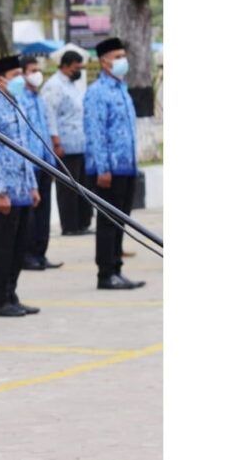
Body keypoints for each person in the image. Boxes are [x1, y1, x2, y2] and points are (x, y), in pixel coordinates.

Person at [0, 56, 43, 317]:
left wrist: (32, 186)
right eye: (15, 75)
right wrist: (0, 191)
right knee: (1, 249)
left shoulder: (18, 103)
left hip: (22, 188)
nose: (21, 79)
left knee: (18, 248)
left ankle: (12, 295)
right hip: (2, 191)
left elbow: (25, 149)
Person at [84, 37, 146, 290]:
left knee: (121, 221)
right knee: (108, 222)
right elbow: (95, 132)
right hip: (108, 170)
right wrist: (103, 168)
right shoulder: (97, 92)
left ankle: (117, 269)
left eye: (123, 55)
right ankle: (106, 273)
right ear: (104, 61)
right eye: (118, 56)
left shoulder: (121, 89)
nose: (123, 60)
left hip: (126, 166)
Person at [42, 50, 94, 236]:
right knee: (68, 188)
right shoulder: (54, 85)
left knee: (83, 186)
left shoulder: (72, 85)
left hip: (79, 143)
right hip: (64, 144)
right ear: (65, 66)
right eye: (75, 68)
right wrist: (55, 142)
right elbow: (49, 114)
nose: (78, 71)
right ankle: (70, 226)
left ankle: (82, 223)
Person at [19, 56, 64, 270]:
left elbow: (45, 130)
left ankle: (41, 253)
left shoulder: (39, 98)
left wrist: (52, 161)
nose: (37, 74)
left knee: (44, 212)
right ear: (22, 74)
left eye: (39, 70)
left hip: (45, 162)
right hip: (30, 163)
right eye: (32, 70)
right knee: (31, 213)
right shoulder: (19, 99)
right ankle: (28, 255)